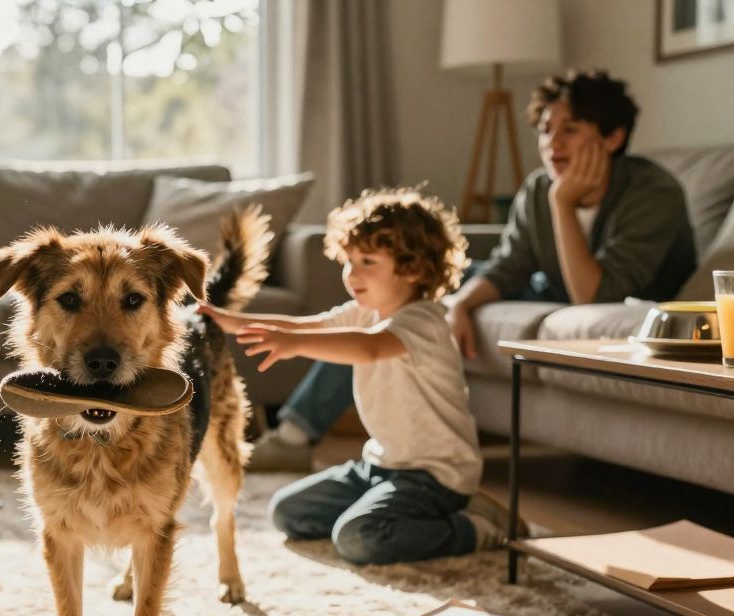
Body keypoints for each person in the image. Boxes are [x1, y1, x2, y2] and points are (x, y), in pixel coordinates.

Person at [249, 69, 696, 473]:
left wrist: (562, 203)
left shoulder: (652, 192)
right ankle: (295, 433)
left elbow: (593, 299)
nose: (551, 144)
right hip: (548, 288)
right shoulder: (538, 187)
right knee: (399, 285)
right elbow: (510, 264)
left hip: (619, 302)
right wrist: (460, 302)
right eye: (545, 130)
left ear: (613, 137)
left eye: (570, 130)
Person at [199, 187, 510, 564]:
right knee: (287, 513)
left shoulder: (426, 319)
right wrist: (233, 322)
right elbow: (307, 325)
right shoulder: (363, 311)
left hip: (434, 477)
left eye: (367, 261)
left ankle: (474, 527)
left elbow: (370, 347)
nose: (352, 273)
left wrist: (293, 345)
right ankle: (392, 511)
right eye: (349, 260)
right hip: (377, 466)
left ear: (413, 268)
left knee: (359, 538)